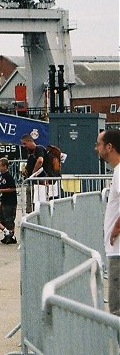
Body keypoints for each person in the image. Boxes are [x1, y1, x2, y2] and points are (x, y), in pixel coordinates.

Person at [95, 128, 120, 315]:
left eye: (99, 144)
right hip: (115, 250)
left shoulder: (119, 172)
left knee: (116, 307)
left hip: (118, 250)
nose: (97, 148)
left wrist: (116, 227)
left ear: (109, 147)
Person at [20, 134, 51, 210]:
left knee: (37, 204)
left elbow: (40, 160)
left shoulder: (38, 148)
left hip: (39, 181)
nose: (24, 146)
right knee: (30, 204)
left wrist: (34, 172)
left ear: (30, 141)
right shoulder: (30, 152)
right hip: (31, 182)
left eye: (25, 143)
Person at [0, 157, 17, 244]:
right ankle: (6, 234)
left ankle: (11, 235)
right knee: (2, 219)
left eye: (0, 166)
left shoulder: (8, 176)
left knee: (9, 219)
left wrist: (1, 190)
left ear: (5, 166)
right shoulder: (2, 176)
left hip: (10, 201)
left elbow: (13, 188)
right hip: (3, 200)